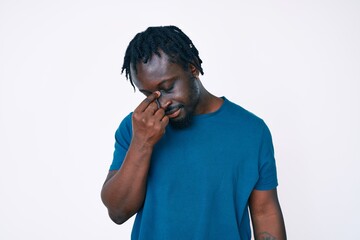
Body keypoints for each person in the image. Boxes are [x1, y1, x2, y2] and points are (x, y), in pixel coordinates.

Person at [101, 25, 286, 240]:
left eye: (168, 87)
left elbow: (265, 212)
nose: (162, 102)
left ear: (192, 68)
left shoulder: (252, 131)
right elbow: (118, 212)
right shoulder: (136, 127)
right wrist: (142, 143)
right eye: (149, 94)